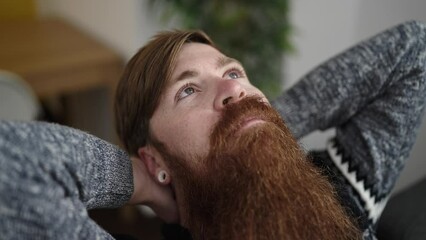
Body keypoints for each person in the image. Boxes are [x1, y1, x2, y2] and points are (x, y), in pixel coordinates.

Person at [0, 20, 425, 239]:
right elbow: (12, 172)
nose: (233, 88)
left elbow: (415, 50)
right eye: (187, 91)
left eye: (235, 72)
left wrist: (262, 127)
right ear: (154, 159)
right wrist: (145, 180)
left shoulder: (343, 189)